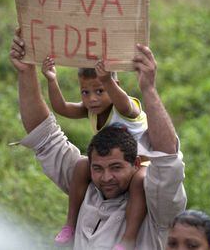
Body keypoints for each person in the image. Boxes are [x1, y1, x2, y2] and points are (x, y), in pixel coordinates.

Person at [9, 27, 186, 250]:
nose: (106, 178)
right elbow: (43, 136)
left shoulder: (156, 207)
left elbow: (168, 160)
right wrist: (27, 70)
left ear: (135, 164)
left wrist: (148, 89)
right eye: (98, 168)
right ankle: (69, 225)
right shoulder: (85, 183)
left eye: (116, 167)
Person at [41, 56, 148, 248]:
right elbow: (61, 108)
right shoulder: (92, 109)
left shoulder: (124, 108)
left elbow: (122, 100)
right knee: (82, 165)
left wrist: (106, 79)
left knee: (139, 181)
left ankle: (128, 238)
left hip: (140, 164)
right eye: (85, 92)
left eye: (100, 91)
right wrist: (51, 79)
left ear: (115, 84)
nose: (92, 98)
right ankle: (70, 225)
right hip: (112, 164)